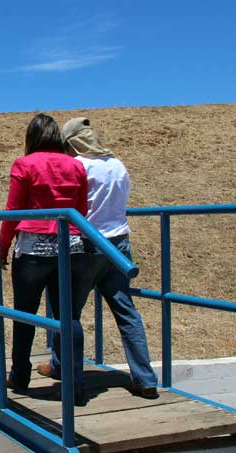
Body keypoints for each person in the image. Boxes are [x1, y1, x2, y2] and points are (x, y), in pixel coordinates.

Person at [60, 117, 159, 399]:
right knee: (126, 311)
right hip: (118, 246)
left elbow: (70, 205)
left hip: (87, 244)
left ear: (71, 144)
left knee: (66, 313)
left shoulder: (78, 166)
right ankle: (144, 378)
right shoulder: (118, 164)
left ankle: (68, 376)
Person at [0, 113, 89, 404]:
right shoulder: (76, 166)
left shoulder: (24, 164)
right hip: (70, 245)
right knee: (68, 316)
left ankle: (20, 374)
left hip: (33, 249)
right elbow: (81, 211)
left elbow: (13, 211)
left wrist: (1, 248)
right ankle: (74, 381)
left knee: (24, 314)